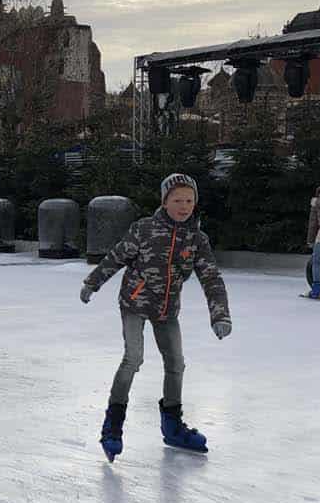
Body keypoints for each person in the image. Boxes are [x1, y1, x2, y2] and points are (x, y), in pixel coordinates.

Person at [81, 172, 232, 457]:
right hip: (134, 304)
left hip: (166, 310)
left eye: (189, 200)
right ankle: (113, 425)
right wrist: (93, 282)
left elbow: (211, 278)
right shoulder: (145, 229)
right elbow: (117, 256)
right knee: (133, 358)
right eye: (177, 200)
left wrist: (220, 315)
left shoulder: (196, 239)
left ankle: (173, 426)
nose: (183, 206)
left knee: (176, 364)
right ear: (165, 201)